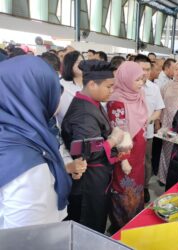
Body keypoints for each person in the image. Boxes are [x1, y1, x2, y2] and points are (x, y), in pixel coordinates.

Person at [0, 56, 71, 229]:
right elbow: (26, 239)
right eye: (54, 90)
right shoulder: (26, 163)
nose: (59, 99)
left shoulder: (10, 134)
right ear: (34, 96)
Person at [61, 60, 128, 233]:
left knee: (97, 219)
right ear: (91, 84)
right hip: (88, 183)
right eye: (108, 86)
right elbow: (85, 152)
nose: (111, 90)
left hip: (97, 178)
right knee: (88, 224)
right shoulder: (83, 113)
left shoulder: (92, 103)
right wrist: (112, 140)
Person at [107, 61, 148, 232]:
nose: (140, 83)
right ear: (125, 79)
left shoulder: (138, 95)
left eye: (142, 79)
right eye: (137, 80)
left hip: (138, 152)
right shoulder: (117, 101)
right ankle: (122, 227)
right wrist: (124, 160)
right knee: (124, 189)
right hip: (125, 156)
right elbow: (118, 133)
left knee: (137, 185)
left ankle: (135, 223)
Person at [134, 55, 165, 203]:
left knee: (146, 161)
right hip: (129, 133)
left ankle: (144, 187)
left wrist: (148, 120)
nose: (145, 72)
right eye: (141, 69)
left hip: (148, 133)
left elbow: (158, 110)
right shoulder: (126, 87)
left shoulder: (154, 88)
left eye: (147, 69)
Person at [56, 51, 84, 125]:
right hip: (68, 128)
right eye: (77, 62)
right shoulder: (61, 84)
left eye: (82, 61)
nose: (81, 64)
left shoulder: (90, 83)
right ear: (69, 64)